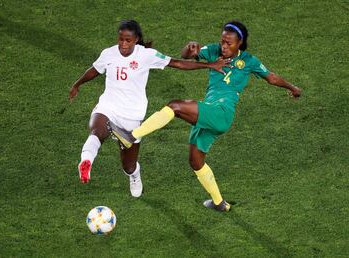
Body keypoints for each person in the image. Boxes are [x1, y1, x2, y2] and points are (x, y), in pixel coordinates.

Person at [110, 20, 302, 210]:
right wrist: (189, 48)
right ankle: (219, 203)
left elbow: (271, 77)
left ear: (239, 43)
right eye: (222, 42)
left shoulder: (249, 61)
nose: (224, 46)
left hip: (221, 113)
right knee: (195, 160)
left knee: (175, 106)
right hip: (209, 113)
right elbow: (188, 55)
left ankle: (132, 135)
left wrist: (292, 88)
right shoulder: (214, 51)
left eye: (229, 43)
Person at [69, 20, 230, 198]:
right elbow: (95, 69)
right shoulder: (108, 54)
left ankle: (134, 175)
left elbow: (176, 63)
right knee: (96, 132)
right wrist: (77, 84)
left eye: (128, 40)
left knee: (128, 166)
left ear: (136, 39)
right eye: (120, 39)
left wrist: (209, 65)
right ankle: (86, 162)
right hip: (108, 106)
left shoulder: (146, 55)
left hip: (131, 116)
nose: (123, 44)